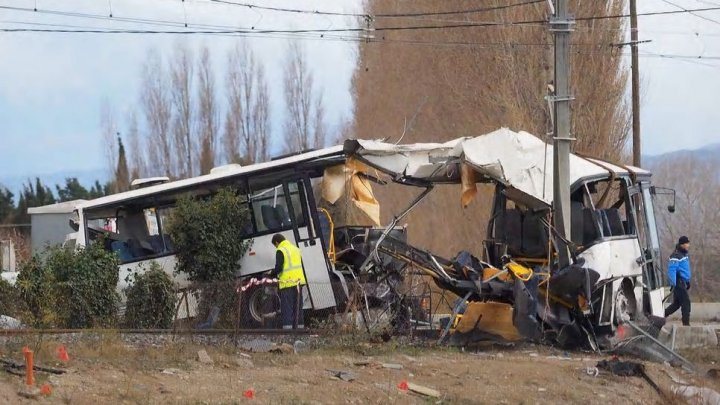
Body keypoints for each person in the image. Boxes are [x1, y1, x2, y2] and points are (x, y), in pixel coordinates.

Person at [270, 234, 307, 329]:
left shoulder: (281, 250)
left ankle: (287, 330)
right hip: (299, 283)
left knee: (287, 308)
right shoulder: (296, 249)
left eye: (275, 245)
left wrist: (271, 274)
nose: (276, 247)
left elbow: (279, 267)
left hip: (287, 283)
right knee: (298, 307)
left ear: (277, 242)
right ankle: (300, 329)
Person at [665, 236, 692, 326]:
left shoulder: (683, 255)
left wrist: (687, 281)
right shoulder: (675, 256)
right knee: (686, 302)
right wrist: (673, 284)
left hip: (682, 282)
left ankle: (661, 316)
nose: (688, 245)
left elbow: (684, 270)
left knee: (677, 304)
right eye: (687, 243)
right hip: (678, 282)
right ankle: (686, 325)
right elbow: (672, 270)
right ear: (682, 244)